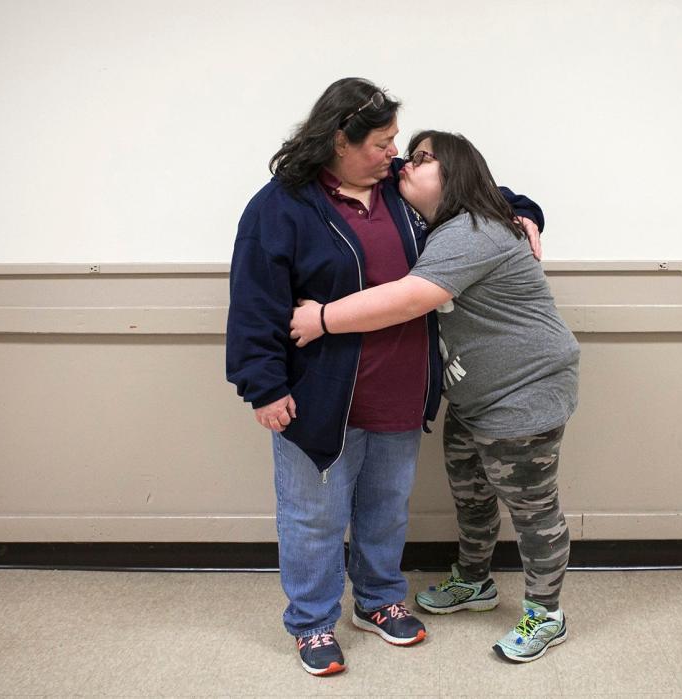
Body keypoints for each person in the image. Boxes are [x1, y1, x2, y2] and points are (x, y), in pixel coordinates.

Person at [226, 79, 544, 677]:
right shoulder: (282, 206)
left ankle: (377, 599)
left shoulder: (400, 190)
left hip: (399, 386)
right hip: (320, 397)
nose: (393, 153)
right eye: (381, 142)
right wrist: (261, 387)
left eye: (397, 141)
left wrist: (523, 212)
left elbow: (481, 189)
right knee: (313, 516)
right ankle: (313, 623)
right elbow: (253, 304)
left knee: (385, 508)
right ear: (338, 138)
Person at [289, 130, 579, 664]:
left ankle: (548, 612)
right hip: (476, 394)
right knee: (471, 494)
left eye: (421, 159)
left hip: (524, 393)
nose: (404, 165)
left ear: (455, 177)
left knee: (532, 508)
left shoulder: (473, 231)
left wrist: (322, 318)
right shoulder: (435, 222)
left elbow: (411, 299)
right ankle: (474, 581)